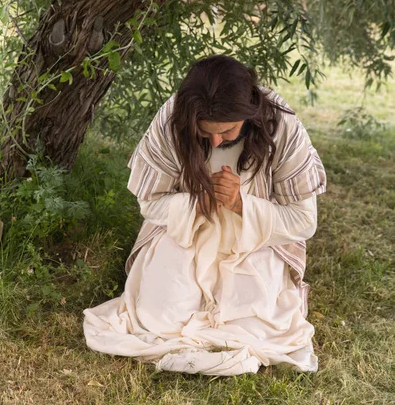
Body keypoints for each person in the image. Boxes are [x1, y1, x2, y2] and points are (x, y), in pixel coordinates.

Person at [83, 55, 327, 376]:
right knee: (161, 314)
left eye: (226, 131)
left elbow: (303, 222)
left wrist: (241, 204)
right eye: (205, 132)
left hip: (254, 241)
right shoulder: (173, 118)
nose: (215, 141)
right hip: (188, 230)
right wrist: (197, 203)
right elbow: (150, 204)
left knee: (255, 321)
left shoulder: (281, 125)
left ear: (250, 113)